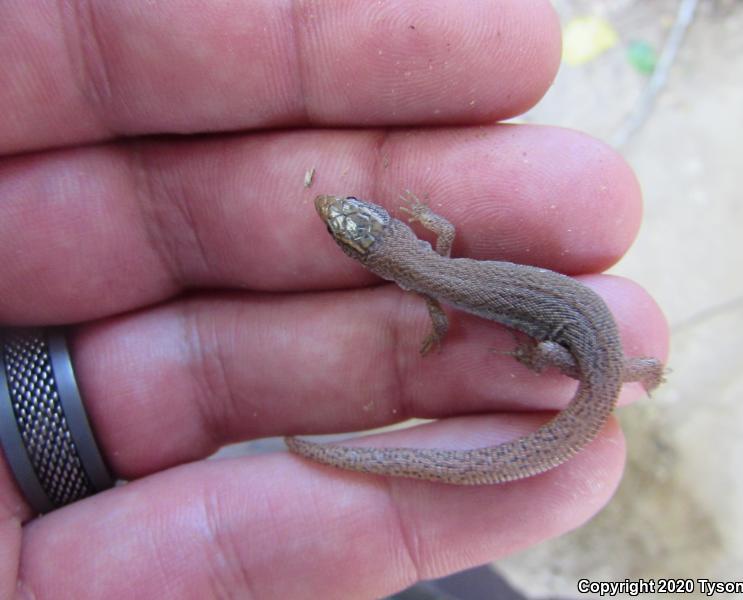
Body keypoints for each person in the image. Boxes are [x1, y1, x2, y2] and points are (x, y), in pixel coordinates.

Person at [0, 1, 668, 598]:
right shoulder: (428, 258)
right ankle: (641, 374)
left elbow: (442, 289)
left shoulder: (425, 278)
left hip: (578, 344)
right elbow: (441, 235)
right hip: (597, 346)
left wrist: (528, 353)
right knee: (567, 357)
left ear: (371, 252)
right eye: (344, 217)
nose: (334, 208)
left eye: (345, 218)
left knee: (546, 350)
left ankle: (618, 371)